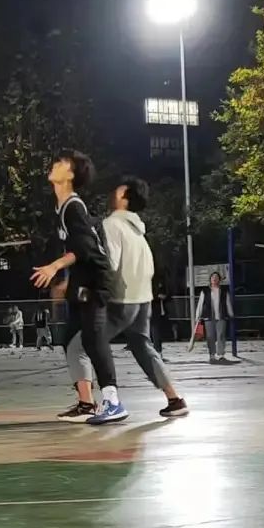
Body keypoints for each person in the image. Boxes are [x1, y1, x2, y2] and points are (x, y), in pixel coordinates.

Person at [65, 178, 190, 419]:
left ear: (124, 197)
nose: (113, 192)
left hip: (121, 300)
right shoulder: (138, 230)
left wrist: (88, 289)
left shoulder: (112, 224)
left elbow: (109, 264)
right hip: (143, 300)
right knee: (142, 346)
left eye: (118, 190)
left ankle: (92, 404)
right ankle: (175, 399)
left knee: (78, 344)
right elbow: (149, 266)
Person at [30, 149, 124, 425]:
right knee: (71, 341)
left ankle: (113, 402)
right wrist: (67, 282)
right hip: (83, 279)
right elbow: (78, 249)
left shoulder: (73, 207)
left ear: (70, 175)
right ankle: (86, 404)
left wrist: (54, 267)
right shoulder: (62, 207)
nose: (54, 164)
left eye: (62, 163)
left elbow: (85, 248)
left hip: (96, 280)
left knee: (93, 339)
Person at [195, 271, 235, 364]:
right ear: (210, 279)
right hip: (209, 317)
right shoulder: (205, 291)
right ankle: (212, 355)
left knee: (221, 335)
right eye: (213, 277)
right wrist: (197, 316)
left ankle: (221, 355)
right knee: (210, 337)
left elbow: (228, 303)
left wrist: (231, 314)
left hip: (221, 316)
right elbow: (200, 304)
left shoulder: (224, 291)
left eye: (216, 277)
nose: (214, 279)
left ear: (219, 280)